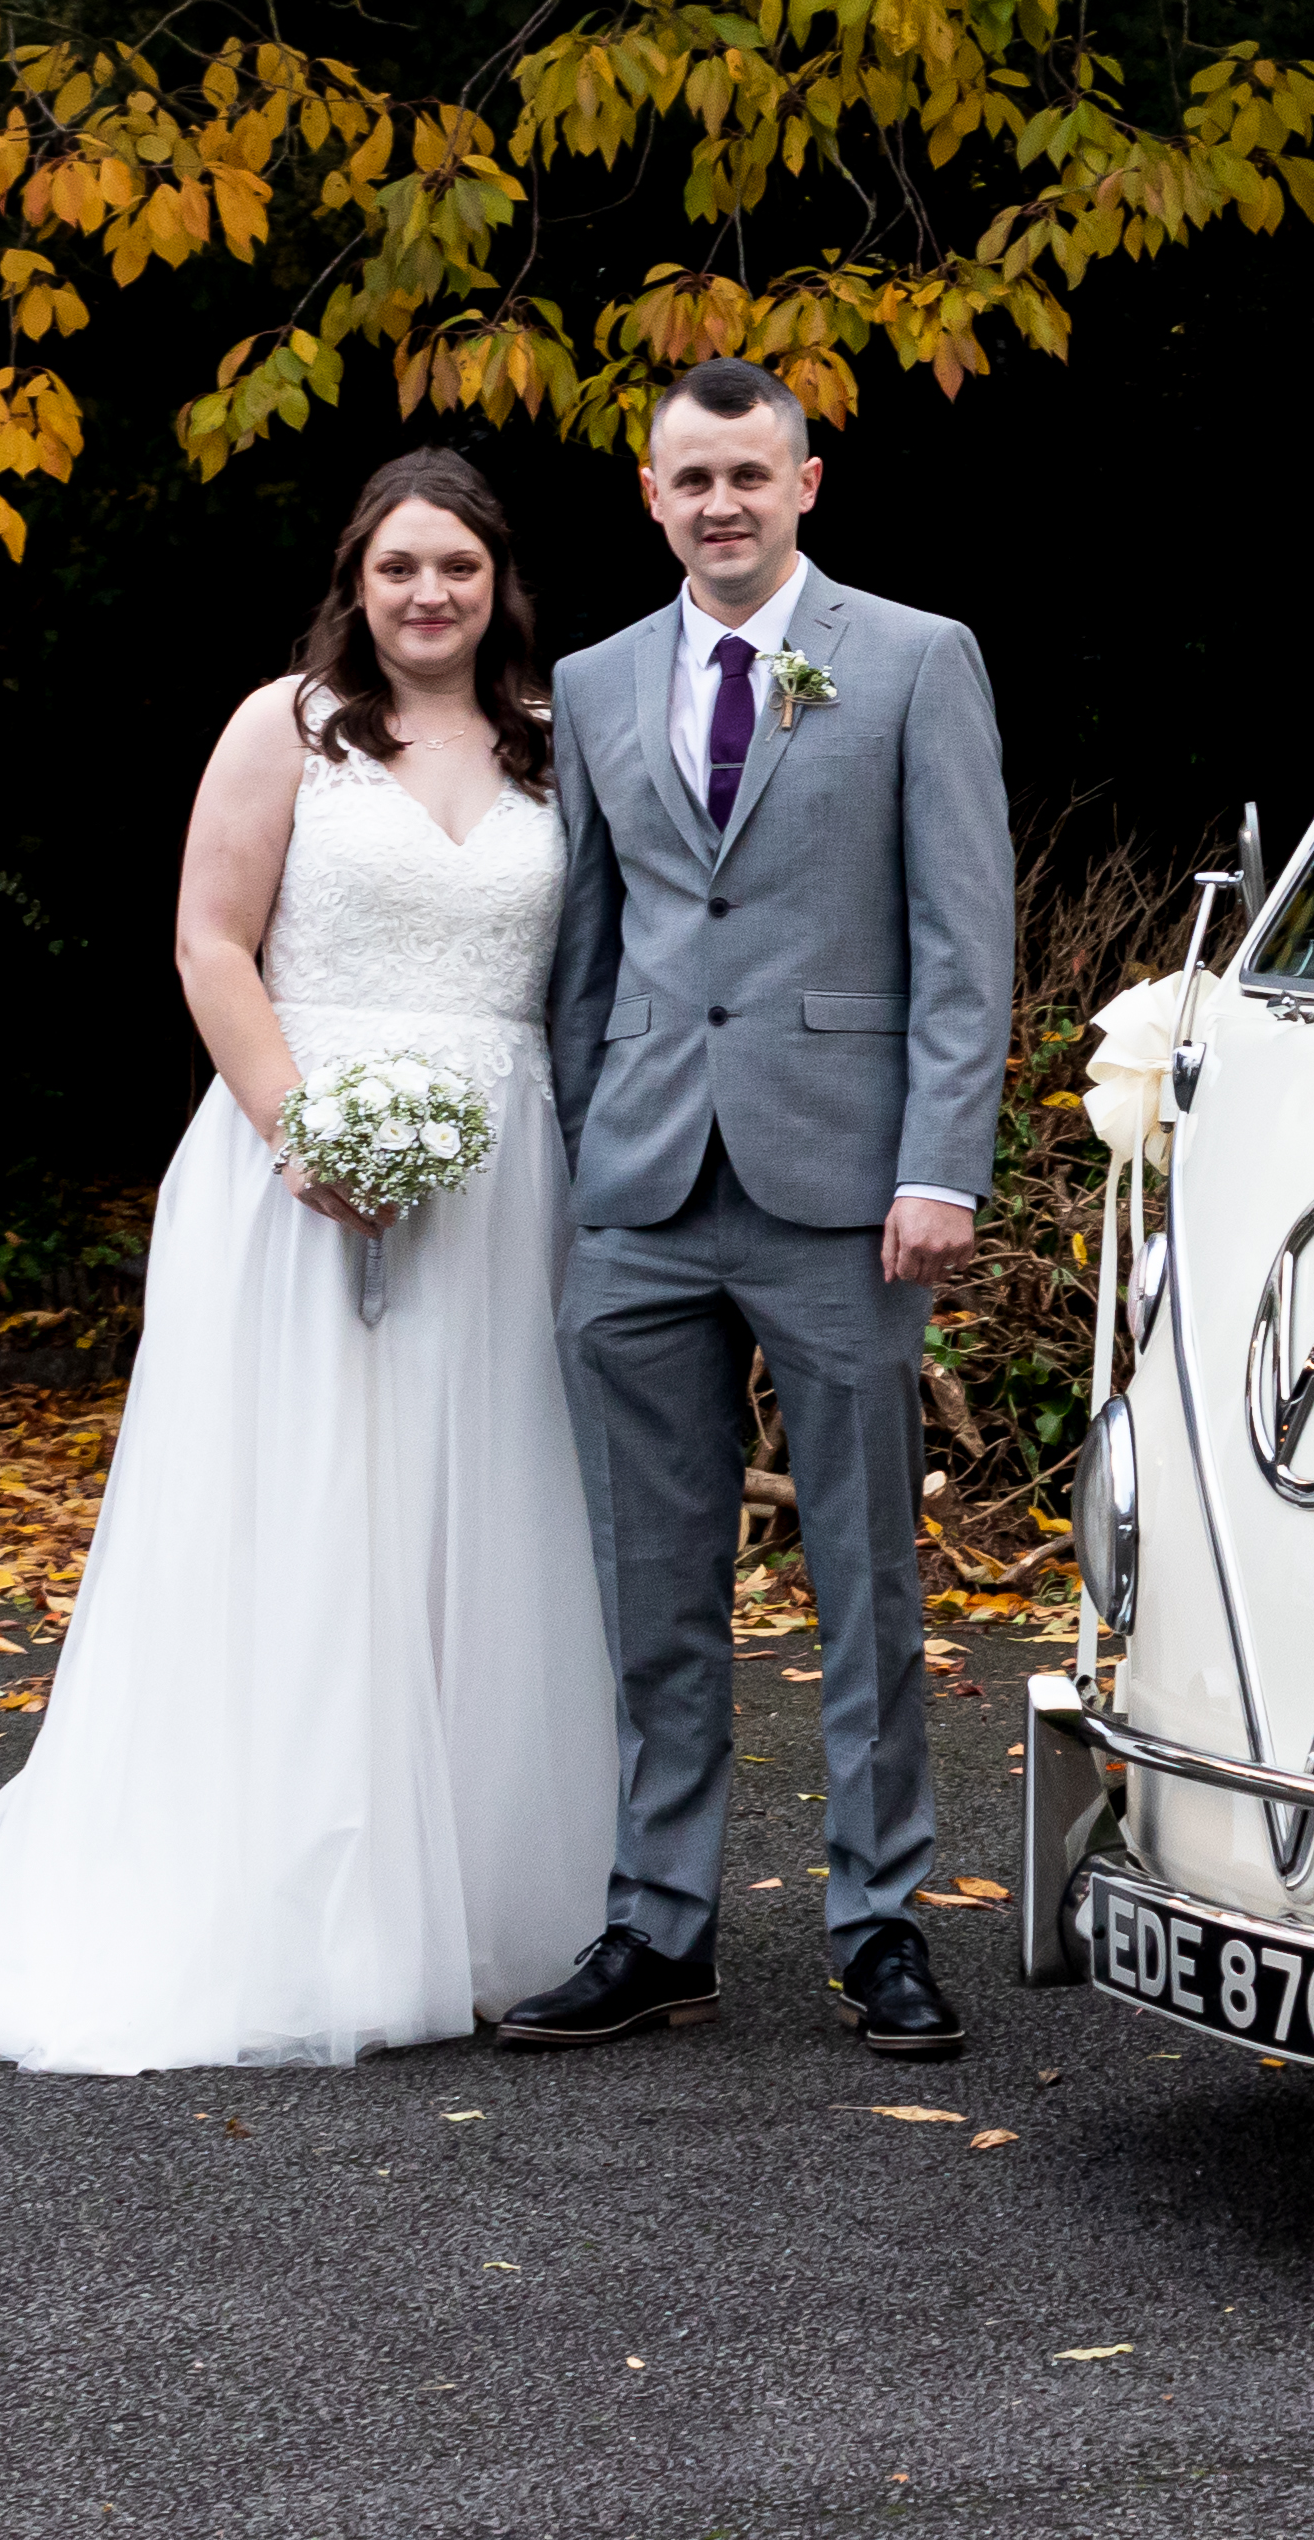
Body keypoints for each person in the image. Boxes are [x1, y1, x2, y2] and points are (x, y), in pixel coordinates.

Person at [0, 453, 621, 2068]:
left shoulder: (554, 747)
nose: (428, 595)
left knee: (482, 1510)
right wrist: (303, 1134)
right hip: (298, 1159)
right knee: (309, 1517)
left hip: (510, 1177)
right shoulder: (285, 726)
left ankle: (488, 1906)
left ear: (499, 580)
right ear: (355, 584)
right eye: (398, 569)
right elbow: (208, 942)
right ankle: (301, 1909)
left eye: (456, 566)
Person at [496, 360, 1013, 2061]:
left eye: (749, 474)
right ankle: (660, 1925)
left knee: (865, 1575)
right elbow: (587, 958)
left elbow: (961, 938)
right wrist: (581, 1174)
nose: (720, 503)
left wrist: (939, 1162)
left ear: (808, 483)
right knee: (652, 1581)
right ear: (651, 499)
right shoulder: (591, 680)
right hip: (642, 1189)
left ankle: (880, 1924)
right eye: (688, 479)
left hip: (844, 1193)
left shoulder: (917, 660)